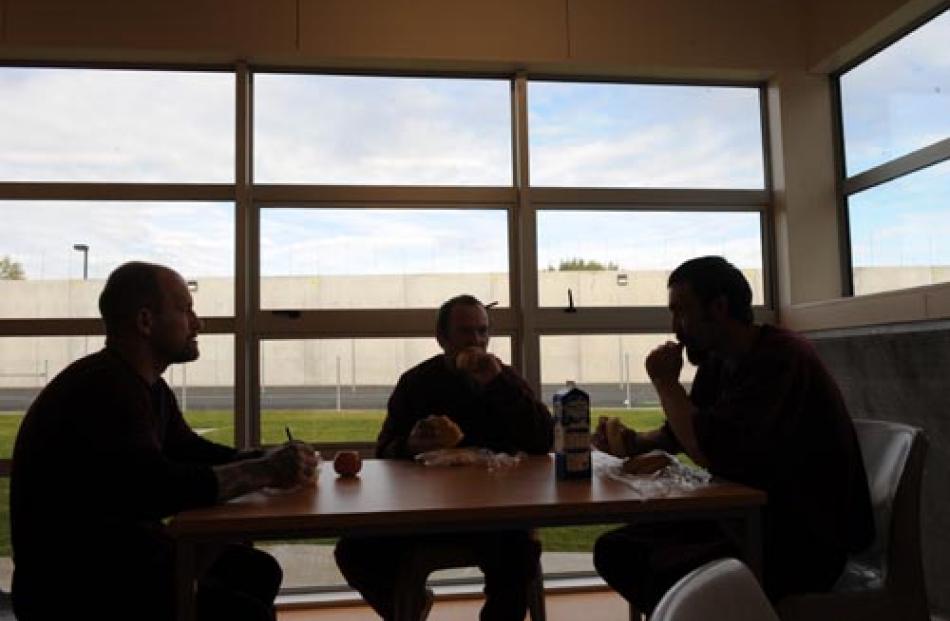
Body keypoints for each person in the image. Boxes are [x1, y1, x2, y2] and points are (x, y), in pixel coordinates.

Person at [10, 261, 319, 621]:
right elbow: (157, 487)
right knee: (247, 613)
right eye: (185, 310)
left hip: (121, 561)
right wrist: (264, 470)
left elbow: (190, 452)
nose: (198, 323)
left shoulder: (144, 385)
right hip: (76, 589)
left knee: (258, 571)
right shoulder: (103, 390)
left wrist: (267, 459)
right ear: (145, 322)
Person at [592, 256, 874, 615]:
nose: (675, 328)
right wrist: (637, 442)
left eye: (681, 312)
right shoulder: (719, 360)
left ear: (719, 307)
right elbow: (685, 431)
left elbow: (710, 449)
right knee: (618, 549)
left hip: (800, 540)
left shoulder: (781, 359)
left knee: (663, 571)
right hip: (743, 521)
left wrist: (665, 383)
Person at [335, 294, 553, 621]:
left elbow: (543, 440)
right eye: (466, 332)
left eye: (483, 331)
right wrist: (409, 446)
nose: (477, 342)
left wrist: (501, 386)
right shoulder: (417, 383)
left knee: (518, 554)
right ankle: (408, 607)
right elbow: (384, 449)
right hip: (424, 513)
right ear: (442, 338)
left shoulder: (504, 379)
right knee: (353, 550)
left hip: (495, 511)